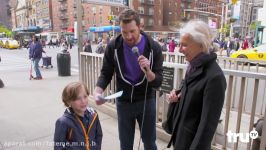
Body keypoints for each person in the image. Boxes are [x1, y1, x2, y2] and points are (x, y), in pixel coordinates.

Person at [93, 9, 163, 150]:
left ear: (140, 27)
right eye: (124, 32)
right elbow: (106, 73)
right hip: (123, 102)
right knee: (125, 144)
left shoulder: (153, 47)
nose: (128, 36)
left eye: (132, 31)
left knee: (150, 143)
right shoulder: (113, 46)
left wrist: (148, 72)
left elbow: (158, 81)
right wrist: (97, 91)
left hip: (146, 101)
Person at [164, 20, 226, 150]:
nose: (179, 49)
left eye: (184, 45)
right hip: (181, 139)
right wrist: (177, 97)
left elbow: (207, 127)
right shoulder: (193, 66)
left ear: (201, 45)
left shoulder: (214, 77)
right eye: (179, 44)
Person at [54, 82, 103, 150]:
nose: (83, 101)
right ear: (69, 101)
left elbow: (98, 136)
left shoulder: (93, 115)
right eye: (77, 98)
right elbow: (58, 147)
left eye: (85, 96)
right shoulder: (63, 122)